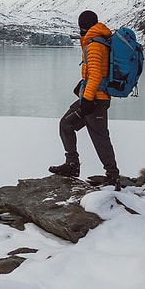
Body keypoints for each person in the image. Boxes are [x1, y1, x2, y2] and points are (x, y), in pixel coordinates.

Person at [49, 10, 121, 190]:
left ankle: (113, 176)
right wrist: (81, 87)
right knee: (66, 124)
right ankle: (72, 164)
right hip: (92, 97)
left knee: (100, 138)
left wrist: (87, 99)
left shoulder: (95, 44)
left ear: (84, 26)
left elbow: (96, 74)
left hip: (95, 100)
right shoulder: (96, 41)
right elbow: (95, 73)